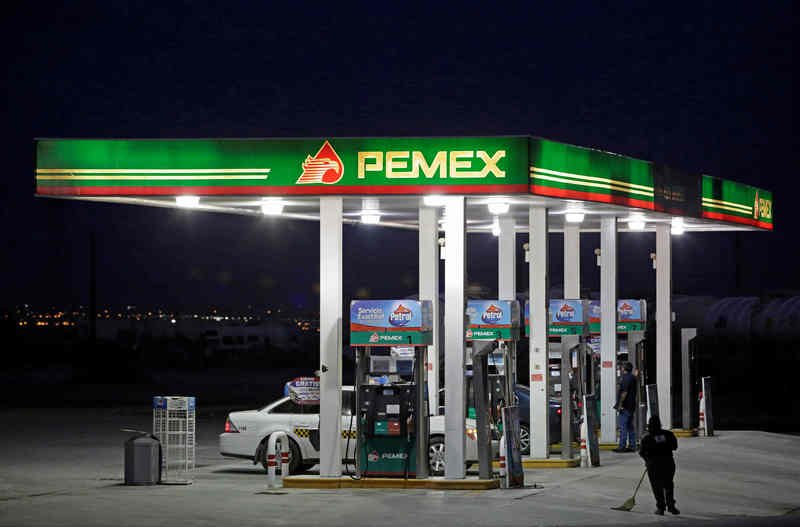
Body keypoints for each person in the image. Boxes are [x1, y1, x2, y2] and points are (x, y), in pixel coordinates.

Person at [639, 416, 679, 515]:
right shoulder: (668, 434)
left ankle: (660, 508)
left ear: (649, 426)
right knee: (668, 484)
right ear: (660, 424)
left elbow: (642, 452)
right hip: (668, 463)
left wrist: (647, 460)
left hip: (653, 464)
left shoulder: (646, 437)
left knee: (656, 486)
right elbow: (675, 447)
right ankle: (671, 506)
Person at [613, 362, 637, 452]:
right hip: (631, 406)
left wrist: (620, 405)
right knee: (630, 427)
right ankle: (632, 446)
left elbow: (624, 392)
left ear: (624, 368)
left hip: (625, 406)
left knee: (623, 426)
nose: (621, 368)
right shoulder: (633, 377)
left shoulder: (625, 378)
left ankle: (622, 446)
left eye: (622, 367)